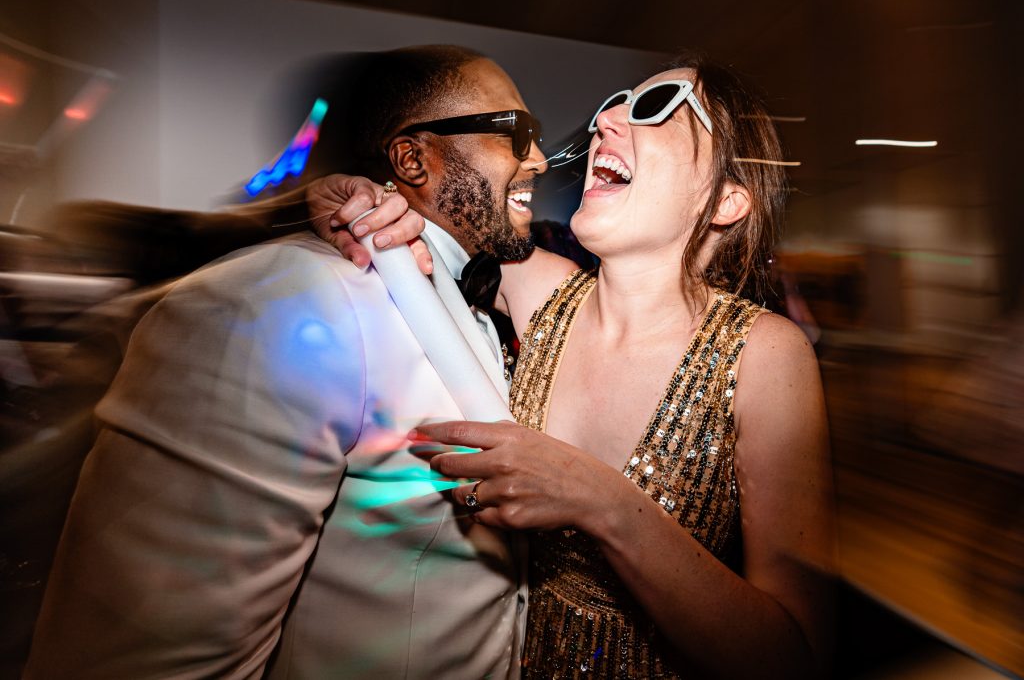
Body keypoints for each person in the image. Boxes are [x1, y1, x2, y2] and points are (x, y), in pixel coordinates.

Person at [24, 45, 553, 679]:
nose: (541, 160)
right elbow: (143, 656)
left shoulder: (479, 307)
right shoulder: (270, 307)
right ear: (413, 158)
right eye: (516, 134)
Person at [312, 54, 834, 678]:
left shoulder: (765, 355)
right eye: (614, 102)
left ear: (723, 199)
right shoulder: (538, 290)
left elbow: (797, 657)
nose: (605, 119)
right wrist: (351, 197)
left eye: (654, 105)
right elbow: (434, 211)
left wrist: (602, 503)